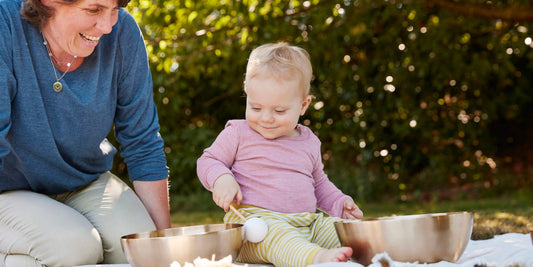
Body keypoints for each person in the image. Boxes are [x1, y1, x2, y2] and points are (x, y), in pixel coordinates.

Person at [0, 0, 171, 265]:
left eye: (114, 9)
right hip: (7, 189)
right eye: (94, 10)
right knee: (74, 247)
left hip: (83, 180)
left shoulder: (123, 32)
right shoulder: (5, 23)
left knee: (143, 248)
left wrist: (166, 251)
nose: (107, 25)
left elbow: (143, 142)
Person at [197, 42, 364, 267]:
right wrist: (221, 178)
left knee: (345, 233)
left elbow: (319, 183)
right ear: (247, 95)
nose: (266, 118)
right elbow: (208, 160)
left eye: (279, 111)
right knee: (279, 238)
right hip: (255, 228)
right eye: (255, 108)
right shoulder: (238, 133)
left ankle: (370, 252)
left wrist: (339, 203)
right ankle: (316, 259)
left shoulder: (309, 141)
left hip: (307, 224)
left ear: (303, 105)